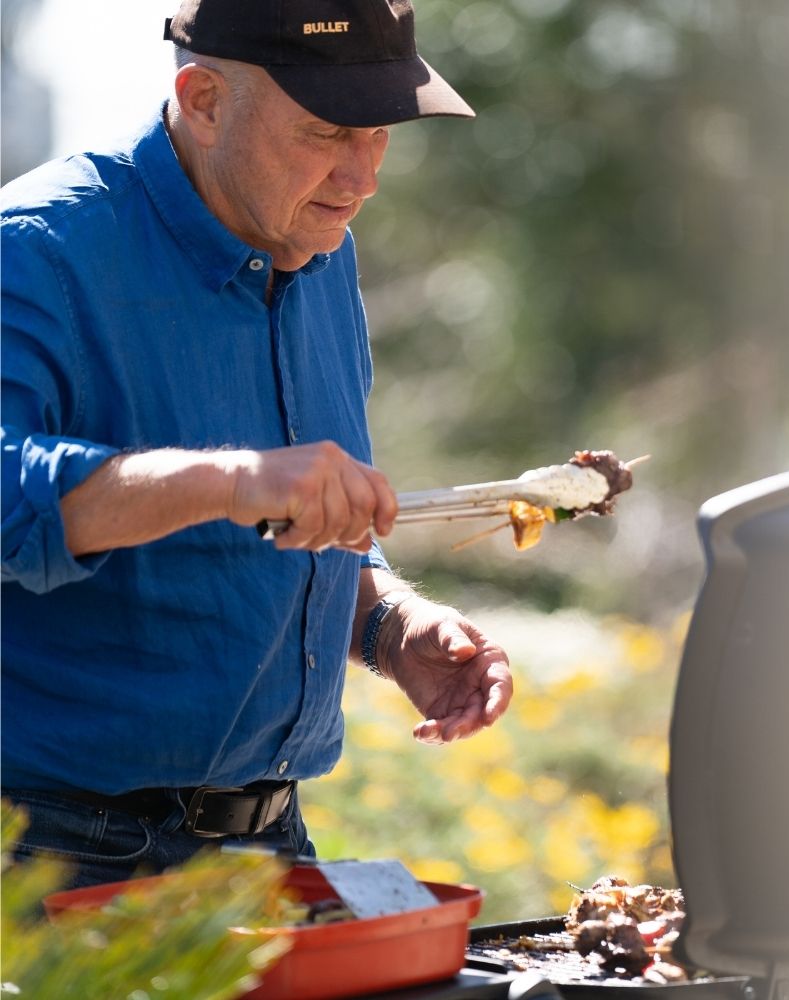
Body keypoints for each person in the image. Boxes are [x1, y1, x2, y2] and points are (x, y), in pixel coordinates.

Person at [0, 0, 513, 889]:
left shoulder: (321, 246)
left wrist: (393, 625)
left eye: (379, 134)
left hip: (267, 850)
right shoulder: (35, 251)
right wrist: (228, 479)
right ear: (202, 100)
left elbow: (298, 527)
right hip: (52, 858)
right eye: (326, 132)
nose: (363, 177)